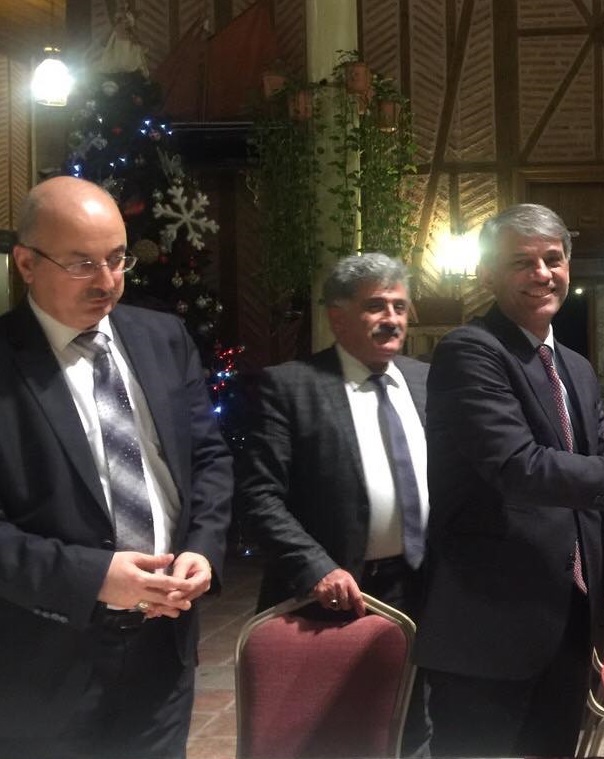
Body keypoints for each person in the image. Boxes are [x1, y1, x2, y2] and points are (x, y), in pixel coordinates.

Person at [414, 203, 604, 758]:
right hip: (488, 625)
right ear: (488, 274)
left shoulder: (575, 367)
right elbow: (518, 467)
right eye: (521, 262)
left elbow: (595, 482)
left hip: (569, 618)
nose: (542, 273)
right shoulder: (470, 352)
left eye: (553, 259)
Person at [0, 176, 232, 757]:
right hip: (45, 658)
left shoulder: (162, 337)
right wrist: (95, 577)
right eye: (81, 264)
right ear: (26, 264)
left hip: (164, 648)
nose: (107, 282)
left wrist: (202, 549)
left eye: (117, 258)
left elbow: (208, 458)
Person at [238, 253, 433, 752]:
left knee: (412, 727)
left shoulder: (426, 380)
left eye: (400, 306)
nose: (392, 318)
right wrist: (316, 567)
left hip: (419, 587)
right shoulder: (289, 386)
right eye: (376, 306)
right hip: (331, 594)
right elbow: (259, 496)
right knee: (330, 735)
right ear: (337, 316)